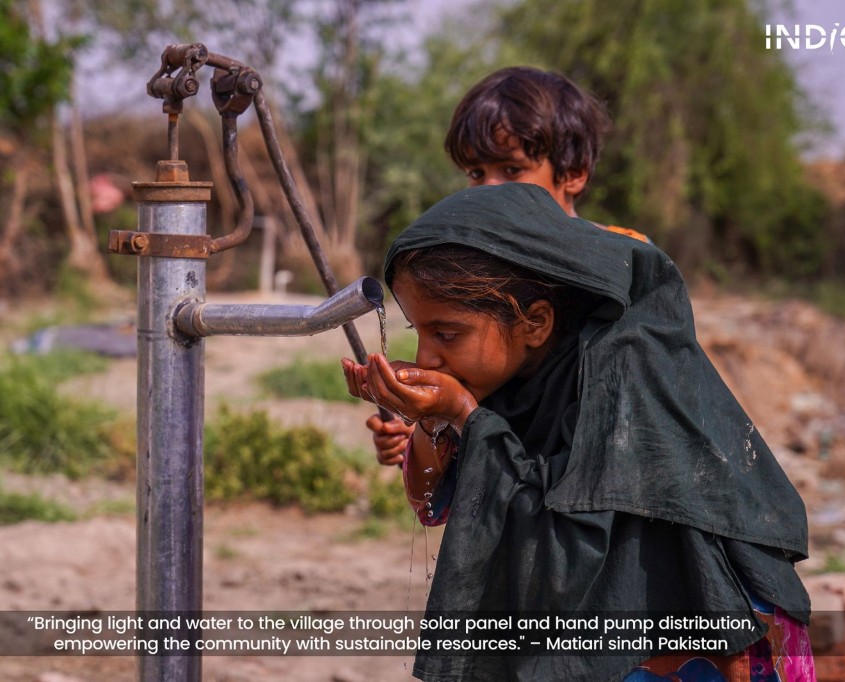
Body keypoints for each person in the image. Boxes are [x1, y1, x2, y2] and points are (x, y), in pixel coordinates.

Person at [341, 183, 815, 681]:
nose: (426, 359)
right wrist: (435, 418)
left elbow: (572, 543)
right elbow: (436, 503)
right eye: (419, 332)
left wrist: (463, 413)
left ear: (537, 322)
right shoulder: (512, 376)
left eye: (448, 334)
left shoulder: (625, 367)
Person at [368, 66, 650, 466]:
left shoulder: (625, 263)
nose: (489, 191)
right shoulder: (473, 267)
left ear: (573, 175)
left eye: (512, 171)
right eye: (476, 173)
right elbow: (470, 383)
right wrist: (423, 428)